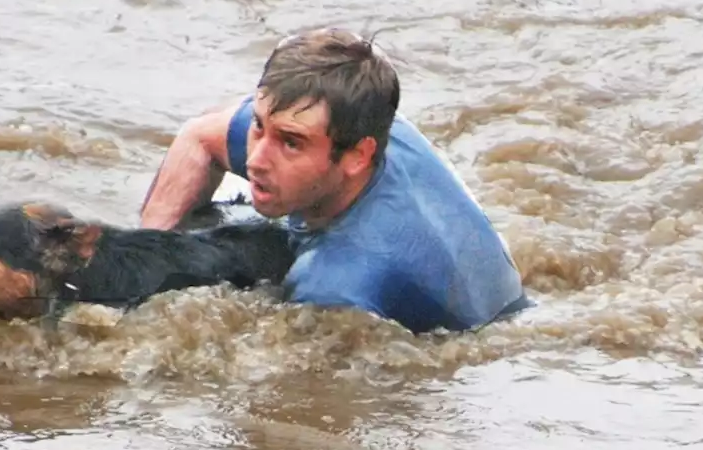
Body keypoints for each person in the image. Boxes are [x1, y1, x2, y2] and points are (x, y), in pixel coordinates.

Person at [138, 27, 529, 334]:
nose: (256, 159)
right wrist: (148, 257)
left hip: (481, 331)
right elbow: (200, 138)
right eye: (259, 125)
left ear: (358, 155)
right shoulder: (361, 117)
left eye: (291, 143)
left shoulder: (336, 286)